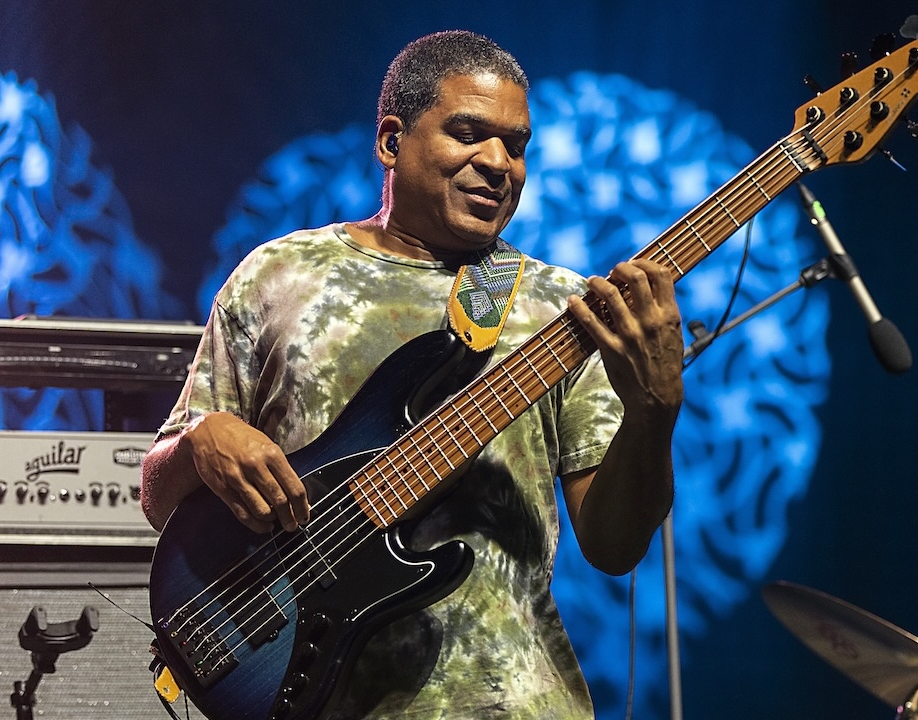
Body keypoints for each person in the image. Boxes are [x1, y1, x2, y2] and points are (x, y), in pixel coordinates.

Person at [139, 29, 683, 719]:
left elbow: (613, 547)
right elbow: (160, 498)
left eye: (516, 146)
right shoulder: (278, 276)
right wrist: (200, 441)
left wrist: (655, 411)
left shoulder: (560, 311)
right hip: (314, 695)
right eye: (468, 133)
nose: (499, 163)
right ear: (391, 141)